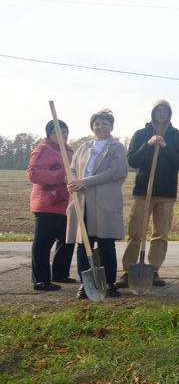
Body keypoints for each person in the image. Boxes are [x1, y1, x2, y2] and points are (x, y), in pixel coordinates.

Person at [117, 100, 179, 289]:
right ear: (153, 113)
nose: (162, 113)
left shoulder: (177, 136)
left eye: (166, 111)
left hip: (166, 193)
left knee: (160, 235)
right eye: (159, 110)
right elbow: (132, 160)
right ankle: (129, 270)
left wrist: (165, 146)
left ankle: (154, 270)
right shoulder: (141, 134)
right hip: (143, 191)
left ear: (170, 114)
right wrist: (149, 144)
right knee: (135, 233)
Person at [66, 109, 128, 299]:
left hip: (104, 201)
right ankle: (86, 285)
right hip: (83, 201)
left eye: (105, 123)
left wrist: (85, 182)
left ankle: (109, 283)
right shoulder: (83, 148)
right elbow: (71, 169)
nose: (100, 127)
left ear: (111, 127)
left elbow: (114, 172)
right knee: (83, 244)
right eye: (97, 123)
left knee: (106, 244)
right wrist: (74, 181)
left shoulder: (116, 147)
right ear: (92, 126)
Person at [27, 119, 76, 291]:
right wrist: (60, 176)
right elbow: (34, 173)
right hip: (48, 202)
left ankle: (60, 273)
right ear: (49, 134)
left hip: (67, 203)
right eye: (57, 132)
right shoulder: (44, 149)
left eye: (65, 131)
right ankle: (41, 280)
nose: (62, 135)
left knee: (67, 239)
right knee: (44, 242)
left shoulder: (69, 151)